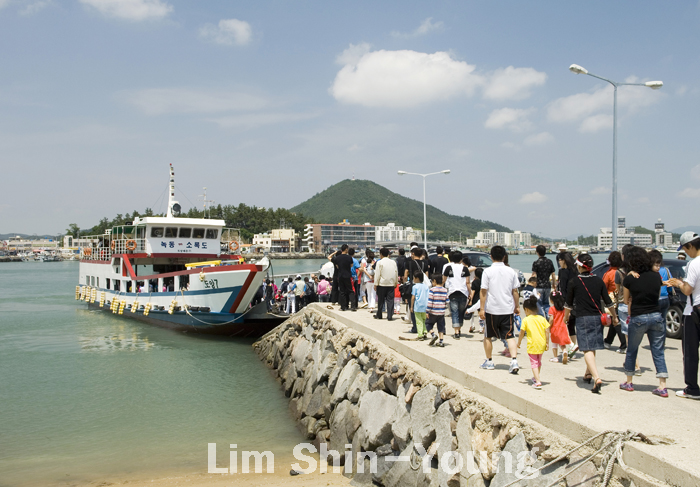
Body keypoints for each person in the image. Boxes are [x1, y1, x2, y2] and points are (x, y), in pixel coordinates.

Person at [564, 253, 618, 394]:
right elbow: (608, 301)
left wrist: (565, 318)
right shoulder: (599, 281)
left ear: (580, 266)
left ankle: (596, 377)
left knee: (586, 349)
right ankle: (588, 373)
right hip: (597, 318)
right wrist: (614, 316)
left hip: (583, 318)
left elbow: (568, 304)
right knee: (592, 347)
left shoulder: (574, 282)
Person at [619, 246, 668, 396]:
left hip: (638, 317)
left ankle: (629, 382)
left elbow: (626, 300)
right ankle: (662, 386)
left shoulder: (630, 278)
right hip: (656, 315)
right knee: (658, 351)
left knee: (632, 349)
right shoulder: (656, 276)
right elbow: (657, 294)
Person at [667, 232, 700, 399]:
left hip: (694, 311)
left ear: (691, 246)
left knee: (690, 352)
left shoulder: (694, 264)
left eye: (686, 249)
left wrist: (679, 283)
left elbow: (688, 290)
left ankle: (692, 388)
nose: (686, 252)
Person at [479, 245, 521, 373]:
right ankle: (514, 360)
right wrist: (517, 306)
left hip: (492, 309)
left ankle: (490, 361)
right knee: (510, 336)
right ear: (504, 256)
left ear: (491, 256)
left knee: (488, 336)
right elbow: (515, 291)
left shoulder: (487, 271)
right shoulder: (511, 271)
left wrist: (481, 309)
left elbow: (483, 291)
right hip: (507, 308)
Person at [517, 296, 551, 389]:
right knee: (538, 362)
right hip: (541, 343)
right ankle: (536, 377)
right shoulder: (541, 318)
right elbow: (547, 330)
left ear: (526, 310)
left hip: (532, 344)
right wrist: (547, 343)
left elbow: (522, 333)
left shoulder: (526, 320)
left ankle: (538, 381)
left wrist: (519, 342)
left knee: (534, 363)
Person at [442, 250, 471, 340]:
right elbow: (467, 282)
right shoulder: (465, 268)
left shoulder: (448, 268)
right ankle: (459, 328)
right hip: (463, 292)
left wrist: (441, 289)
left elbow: (443, 280)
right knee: (461, 312)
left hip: (452, 292)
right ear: (461, 259)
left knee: (454, 312)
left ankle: (456, 331)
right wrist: (470, 293)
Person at [603, 251, 626, 350]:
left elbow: (603, 287)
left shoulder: (609, 273)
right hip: (621, 298)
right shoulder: (623, 272)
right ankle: (608, 341)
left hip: (611, 299)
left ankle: (624, 344)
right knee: (615, 320)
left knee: (616, 322)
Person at [557, 252, 578, 355]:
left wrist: (564, 303)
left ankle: (571, 346)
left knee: (566, 325)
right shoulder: (575, 270)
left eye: (559, 260)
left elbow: (563, 289)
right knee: (572, 325)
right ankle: (574, 345)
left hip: (567, 301)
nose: (559, 262)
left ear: (563, 260)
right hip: (577, 300)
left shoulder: (563, 272)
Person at [531, 245, 556, 317]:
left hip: (539, 285)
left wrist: (531, 284)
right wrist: (554, 284)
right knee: (546, 303)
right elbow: (553, 274)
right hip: (547, 285)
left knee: (539, 303)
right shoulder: (549, 262)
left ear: (537, 252)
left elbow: (534, 275)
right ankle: (548, 317)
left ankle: (541, 318)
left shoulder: (536, 263)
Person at [374, 247, 398, 321]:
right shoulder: (393, 262)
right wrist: (395, 282)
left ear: (381, 254)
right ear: (388, 254)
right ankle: (390, 315)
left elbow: (377, 274)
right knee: (390, 300)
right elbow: (396, 273)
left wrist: (375, 284)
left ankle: (379, 314)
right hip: (390, 284)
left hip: (382, 284)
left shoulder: (379, 262)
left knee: (381, 300)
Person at [548, 291, 571, 364]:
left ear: (551, 300)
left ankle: (555, 357)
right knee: (562, 342)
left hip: (555, 327)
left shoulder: (552, 308)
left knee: (554, 343)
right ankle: (564, 351)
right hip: (563, 327)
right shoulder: (563, 309)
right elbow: (568, 315)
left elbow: (551, 319)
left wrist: (548, 326)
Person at [427, 273, 449, 347]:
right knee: (441, 327)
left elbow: (430, 302)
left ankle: (433, 334)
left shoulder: (432, 290)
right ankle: (441, 341)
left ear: (435, 281)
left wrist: (427, 311)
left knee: (428, 324)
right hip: (441, 312)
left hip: (433, 312)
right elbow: (447, 301)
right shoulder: (445, 290)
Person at [335, 245, 357, 312]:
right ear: (346, 249)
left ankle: (343, 306)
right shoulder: (349, 257)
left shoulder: (337, 258)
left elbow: (337, 266)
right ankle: (353, 306)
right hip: (348, 275)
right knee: (350, 291)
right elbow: (351, 265)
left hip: (340, 276)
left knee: (342, 291)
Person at [411, 270, 430, 340]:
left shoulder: (415, 287)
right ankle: (425, 331)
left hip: (418, 306)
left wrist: (411, 306)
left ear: (417, 278)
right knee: (424, 320)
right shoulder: (426, 286)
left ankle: (420, 334)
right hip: (425, 306)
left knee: (419, 321)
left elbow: (413, 297)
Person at [468, 267, 484, 333]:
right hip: (482, 298)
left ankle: (472, 325)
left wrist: (470, 299)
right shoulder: (484, 281)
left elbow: (473, 291)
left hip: (475, 298)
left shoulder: (474, 282)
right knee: (480, 313)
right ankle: (481, 327)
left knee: (472, 312)